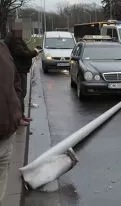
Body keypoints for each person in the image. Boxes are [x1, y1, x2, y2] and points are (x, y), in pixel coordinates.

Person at [0, 40, 22, 205]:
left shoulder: (3, 48)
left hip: (7, 131)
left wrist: (17, 111)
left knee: (3, 173)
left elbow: (15, 81)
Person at [4, 27, 39, 126]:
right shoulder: (15, 40)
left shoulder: (14, 38)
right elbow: (22, 53)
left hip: (20, 69)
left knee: (21, 94)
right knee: (20, 94)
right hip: (19, 70)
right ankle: (19, 118)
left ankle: (21, 116)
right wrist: (34, 52)